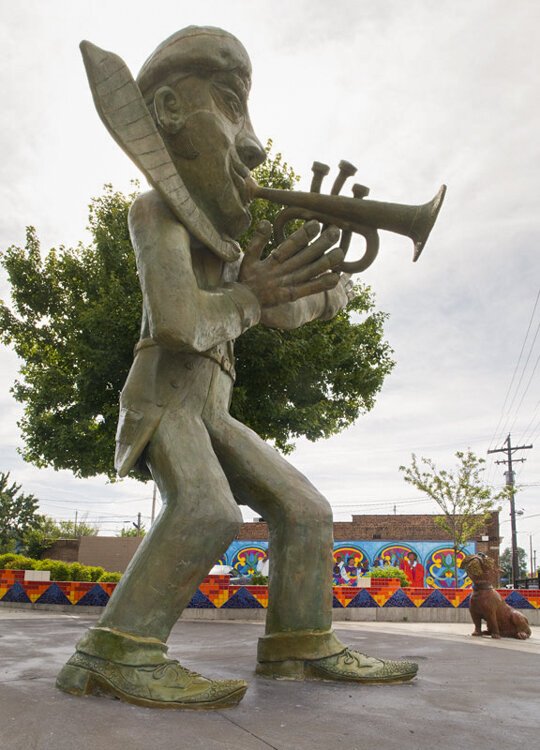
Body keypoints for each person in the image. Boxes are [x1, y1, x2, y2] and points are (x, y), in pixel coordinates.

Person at [57, 26, 417, 710]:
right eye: (229, 105)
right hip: (165, 400)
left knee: (306, 510)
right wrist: (253, 294)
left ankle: (300, 646)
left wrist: (323, 287)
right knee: (206, 506)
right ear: (167, 111)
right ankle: (111, 655)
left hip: (210, 411)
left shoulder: (221, 243)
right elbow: (180, 323)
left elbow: (272, 313)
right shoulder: (156, 213)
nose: (252, 142)